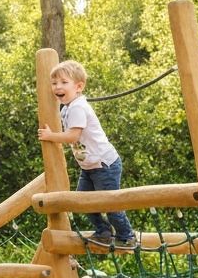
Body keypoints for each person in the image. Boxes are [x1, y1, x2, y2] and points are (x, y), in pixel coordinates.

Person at [37, 59, 135, 248]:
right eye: (54, 83)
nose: (58, 87)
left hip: (104, 164)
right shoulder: (68, 107)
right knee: (82, 201)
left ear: (79, 86)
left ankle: (126, 236)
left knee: (109, 203)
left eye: (64, 82)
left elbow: (74, 136)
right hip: (90, 166)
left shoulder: (78, 107)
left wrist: (50, 136)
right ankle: (104, 232)